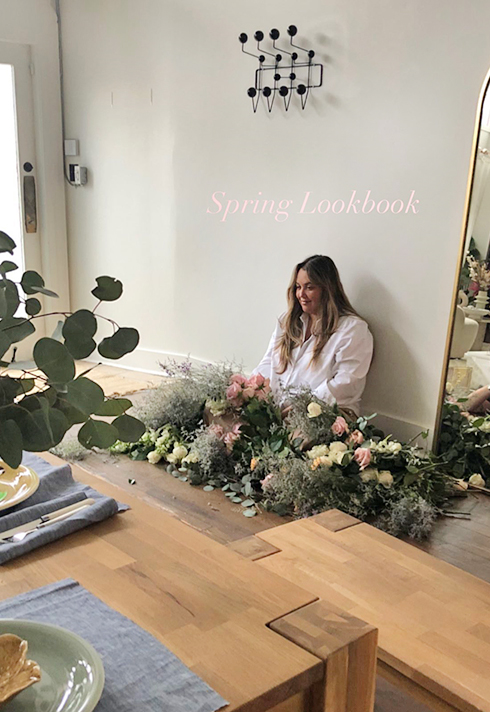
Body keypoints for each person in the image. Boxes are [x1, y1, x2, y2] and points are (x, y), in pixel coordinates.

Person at [251, 255, 374, 419]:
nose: (301, 294)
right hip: (278, 410)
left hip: (325, 414)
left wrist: (300, 408)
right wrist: (249, 390)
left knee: (297, 438)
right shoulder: (286, 321)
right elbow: (267, 363)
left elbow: (345, 385)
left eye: (309, 287)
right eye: (298, 287)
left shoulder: (352, 329)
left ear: (328, 289)